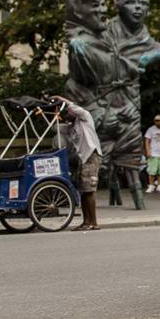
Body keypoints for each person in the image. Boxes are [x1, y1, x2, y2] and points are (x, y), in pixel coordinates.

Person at [53, 97, 102, 230]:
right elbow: (56, 127)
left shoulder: (85, 118)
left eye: (69, 112)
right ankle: (86, 221)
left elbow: (73, 107)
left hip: (91, 155)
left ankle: (93, 222)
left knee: (89, 190)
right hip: (83, 158)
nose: (68, 114)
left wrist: (59, 98)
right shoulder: (72, 127)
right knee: (83, 191)